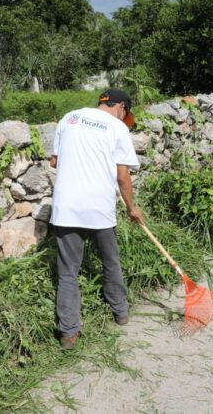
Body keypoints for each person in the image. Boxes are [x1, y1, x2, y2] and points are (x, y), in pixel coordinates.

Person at [49, 88, 145, 350]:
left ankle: (68, 334)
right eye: (125, 114)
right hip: (99, 208)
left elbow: (54, 161)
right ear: (121, 108)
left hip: (66, 207)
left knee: (68, 271)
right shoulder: (117, 128)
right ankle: (121, 313)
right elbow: (122, 177)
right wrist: (132, 207)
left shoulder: (68, 118)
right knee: (110, 261)